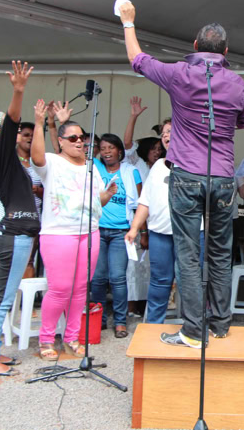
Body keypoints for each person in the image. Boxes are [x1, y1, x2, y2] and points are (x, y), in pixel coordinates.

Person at [120, 2, 244, 348]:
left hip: (187, 175)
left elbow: (137, 59)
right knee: (220, 253)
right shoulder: (237, 83)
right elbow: (243, 120)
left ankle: (193, 330)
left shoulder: (179, 73)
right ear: (226, 51)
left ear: (194, 46)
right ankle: (220, 324)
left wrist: (128, 22)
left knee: (189, 254)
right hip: (222, 177)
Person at [31, 99, 115, 360]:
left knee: (80, 289)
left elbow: (96, 202)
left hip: (89, 232)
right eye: (74, 138)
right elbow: (36, 157)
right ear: (61, 142)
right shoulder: (53, 162)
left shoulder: (91, 167)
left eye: (83, 138)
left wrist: (108, 194)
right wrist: (39, 123)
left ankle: (72, 337)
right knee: (59, 288)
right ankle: (46, 339)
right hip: (59, 234)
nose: (80, 142)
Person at [0, 61, 38, 376]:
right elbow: (10, 122)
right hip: (14, 235)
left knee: (5, 296)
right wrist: (18, 91)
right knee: (3, 298)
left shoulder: (5, 159)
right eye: (5, 126)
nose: (11, 129)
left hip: (17, 234)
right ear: (0, 133)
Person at [91, 133, 142, 338]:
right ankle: (99, 319)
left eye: (111, 148)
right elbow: (82, 152)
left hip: (121, 232)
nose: (106, 152)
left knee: (118, 278)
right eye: (103, 148)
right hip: (97, 229)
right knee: (98, 278)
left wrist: (141, 231)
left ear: (120, 151)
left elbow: (140, 205)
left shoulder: (131, 172)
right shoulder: (95, 167)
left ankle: (120, 321)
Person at [126, 121, 176, 324]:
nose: (166, 136)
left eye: (170, 132)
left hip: (189, 234)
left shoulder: (195, 164)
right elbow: (145, 201)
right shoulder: (157, 166)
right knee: (159, 280)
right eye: (163, 133)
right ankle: (154, 326)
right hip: (159, 233)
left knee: (190, 281)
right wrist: (134, 228)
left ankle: (194, 327)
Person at [124, 96, 164, 181]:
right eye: (153, 148)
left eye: (159, 149)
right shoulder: (138, 162)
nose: (157, 152)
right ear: (146, 148)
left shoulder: (164, 167)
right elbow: (127, 143)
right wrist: (133, 117)